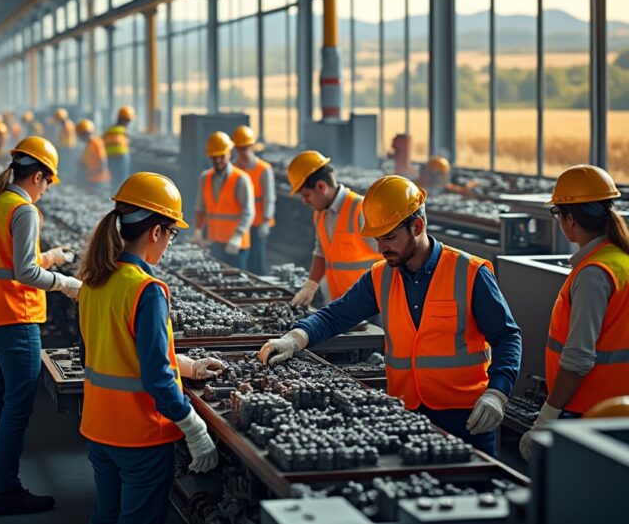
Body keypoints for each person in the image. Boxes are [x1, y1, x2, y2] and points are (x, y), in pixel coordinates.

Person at [258, 175, 522, 455]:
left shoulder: (470, 273)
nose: (381, 248)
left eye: (389, 237)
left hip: (468, 419)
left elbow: (507, 336)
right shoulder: (380, 277)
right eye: (377, 238)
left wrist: (497, 392)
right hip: (406, 416)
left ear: (417, 226)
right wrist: (294, 338)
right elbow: (334, 316)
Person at [79, 172, 223, 524]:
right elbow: (157, 377)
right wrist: (194, 428)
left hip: (98, 428)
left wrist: (186, 365)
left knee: (106, 515)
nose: (170, 242)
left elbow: (101, 353)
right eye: (171, 233)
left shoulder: (93, 282)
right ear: (156, 232)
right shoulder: (147, 290)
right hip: (139, 437)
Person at [0, 136, 82, 516]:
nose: (47, 190)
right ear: (38, 176)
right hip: (13, 319)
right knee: (16, 408)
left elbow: (10, 259)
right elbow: (24, 271)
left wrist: (52, 256)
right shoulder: (25, 210)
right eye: (48, 182)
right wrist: (67, 285)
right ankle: (7, 490)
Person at [520, 165, 629, 459]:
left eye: (557, 214)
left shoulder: (594, 273)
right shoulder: (621, 261)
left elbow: (579, 357)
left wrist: (546, 419)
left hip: (588, 413)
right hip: (619, 410)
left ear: (569, 218)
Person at [286, 150, 382, 308]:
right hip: (340, 305)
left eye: (306, 195)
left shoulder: (361, 210)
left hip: (371, 305)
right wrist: (311, 284)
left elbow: (391, 257)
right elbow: (321, 252)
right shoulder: (320, 214)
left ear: (321, 186)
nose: (304, 201)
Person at [191, 131, 254, 269]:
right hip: (215, 242)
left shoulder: (240, 179)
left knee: (237, 286)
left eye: (221, 156)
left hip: (236, 246)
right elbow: (200, 208)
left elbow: (248, 212)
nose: (218, 160)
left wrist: (237, 236)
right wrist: (198, 230)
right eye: (214, 157)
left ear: (229, 153)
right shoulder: (205, 178)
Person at [232, 126, 275, 275]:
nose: (243, 152)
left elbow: (269, 197)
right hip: (240, 223)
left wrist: (265, 221)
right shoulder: (233, 168)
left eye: (245, 148)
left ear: (252, 146)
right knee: (241, 263)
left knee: (257, 262)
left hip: (257, 224)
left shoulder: (263, 169)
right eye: (240, 148)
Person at [103, 106, 134, 193]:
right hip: (121, 157)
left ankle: (113, 194)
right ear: (127, 120)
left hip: (110, 157)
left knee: (114, 179)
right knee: (122, 180)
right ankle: (121, 196)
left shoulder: (109, 130)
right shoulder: (124, 131)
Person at [77, 119, 109, 192]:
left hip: (99, 180)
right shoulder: (88, 146)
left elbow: (103, 161)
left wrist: (93, 172)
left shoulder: (96, 142)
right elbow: (84, 163)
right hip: (91, 179)